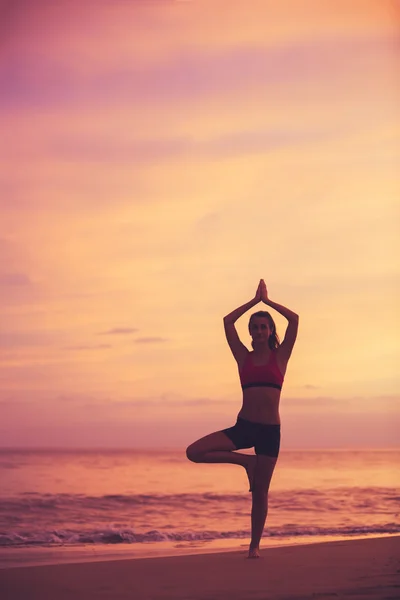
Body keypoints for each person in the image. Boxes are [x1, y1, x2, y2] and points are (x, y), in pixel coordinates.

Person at [186, 279, 299, 558]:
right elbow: (227, 322)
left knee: (261, 492)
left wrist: (268, 302)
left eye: (264, 326)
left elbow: (295, 320)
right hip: (244, 427)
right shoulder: (242, 358)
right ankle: (245, 462)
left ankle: (254, 547)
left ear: (271, 331)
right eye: (255, 327)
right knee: (194, 452)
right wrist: (253, 301)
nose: (259, 331)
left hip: (270, 432)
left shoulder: (280, 356)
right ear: (250, 333)